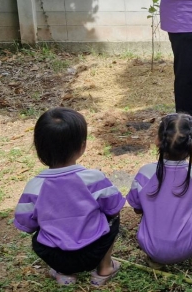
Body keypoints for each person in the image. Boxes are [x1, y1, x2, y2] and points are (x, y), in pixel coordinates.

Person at [13, 108, 124, 287]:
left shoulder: (34, 186)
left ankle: (64, 274)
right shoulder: (93, 178)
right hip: (93, 252)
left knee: (39, 229)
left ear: (39, 148)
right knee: (112, 217)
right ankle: (104, 269)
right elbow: (114, 207)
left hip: (55, 255)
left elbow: (25, 224)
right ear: (82, 146)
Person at [126, 114, 192, 269]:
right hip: (188, 246)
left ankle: (155, 260)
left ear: (157, 141)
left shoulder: (145, 173)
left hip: (150, 246)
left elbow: (137, 209)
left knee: (152, 206)